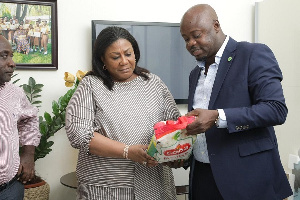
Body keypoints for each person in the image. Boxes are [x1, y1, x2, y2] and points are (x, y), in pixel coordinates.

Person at [178, 4, 293, 200]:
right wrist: (181, 152)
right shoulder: (194, 74)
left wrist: (217, 117)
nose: (191, 43)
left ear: (216, 26)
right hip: (203, 179)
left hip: (248, 179)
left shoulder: (252, 54)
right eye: (186, 39)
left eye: (196, 35)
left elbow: (276, 109)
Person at [65, 26, 181, 200]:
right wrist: (127, 151)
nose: (124, 62)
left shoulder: (153, 83)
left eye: (128, 54)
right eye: (115, 57)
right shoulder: (90, 85)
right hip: (105, 188)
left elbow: (174, 124)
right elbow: (79, 134)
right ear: (102, 59)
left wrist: (172, 152)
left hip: (152, 184)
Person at [0, 35, 41, 200]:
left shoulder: (15, 93)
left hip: (10, 189)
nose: (12, 63)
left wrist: (28, 154)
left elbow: (30, 118)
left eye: (11, 55)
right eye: (4, 56)